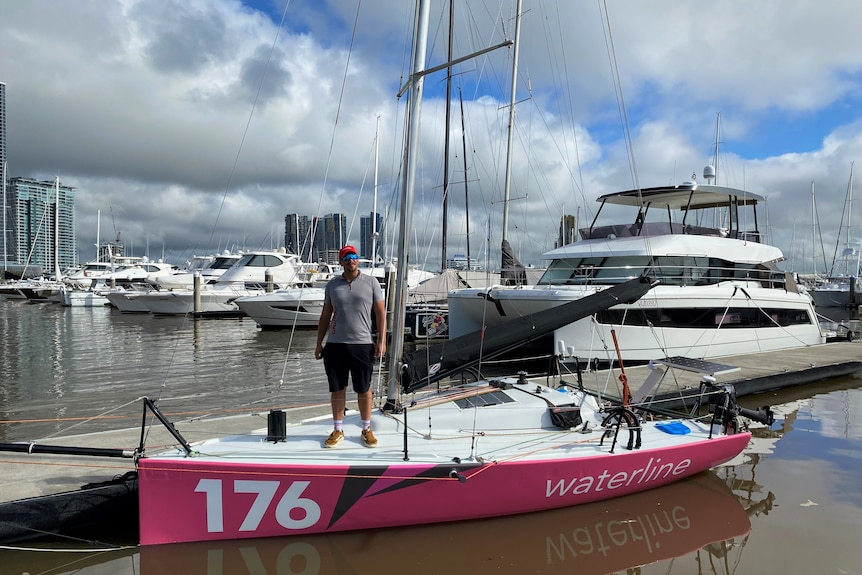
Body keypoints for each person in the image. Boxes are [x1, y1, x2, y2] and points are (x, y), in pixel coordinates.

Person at [315, 245, 386, 448]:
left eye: (353, 256)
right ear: (340, 262)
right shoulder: (332, 285)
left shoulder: (371, 283)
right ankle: (338, 430)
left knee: (363, 388)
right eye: (346, 257)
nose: (350, 260)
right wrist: (319, 343)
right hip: (335, 345)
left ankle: (366, 429)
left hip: (362, 344)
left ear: (358, 260)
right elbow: (325, 315)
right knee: (338, 389)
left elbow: (381, 314)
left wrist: (381, 341)